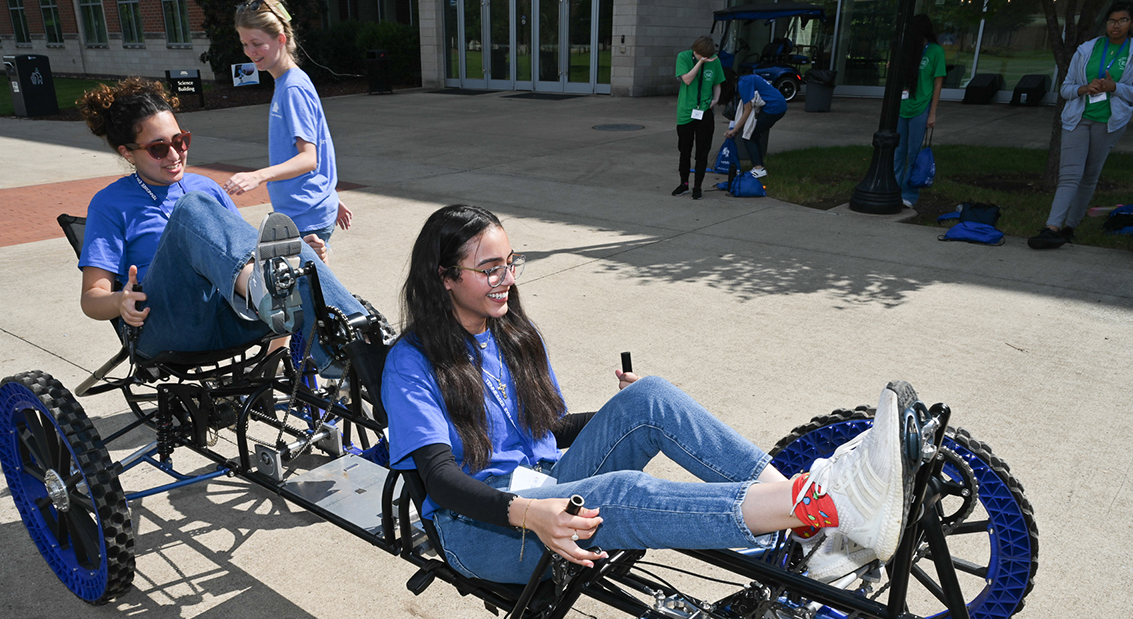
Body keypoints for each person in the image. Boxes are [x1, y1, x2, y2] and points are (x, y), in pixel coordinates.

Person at [382, 204, 916, 587]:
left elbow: (546, 425)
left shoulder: (511, 332)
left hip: (542, 486)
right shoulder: (412, 361)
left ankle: (806, 529)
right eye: (489, 269)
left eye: (510, 263)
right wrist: (530, 514)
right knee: (614, 493)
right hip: (484, 530)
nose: (506, 279)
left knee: (651, 397)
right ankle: (822, 502)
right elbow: (440, 481)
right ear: (445, 276)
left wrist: (621, 411)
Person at [76, 77, 366, 377]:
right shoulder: (110, 203)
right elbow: (91, 299)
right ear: (127, 152)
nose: (175, 155)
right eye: (158, 149)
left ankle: (366, 346)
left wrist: (307, 255)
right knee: (192, 207)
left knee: (297, 250)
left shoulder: (206, 186)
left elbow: (240, 253)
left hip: (233, 315)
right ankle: (265, 289)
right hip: (165, 326)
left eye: (180, 140)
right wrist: (120, 301)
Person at [225, 0, 351, 253]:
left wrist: (257, 176)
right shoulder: (288, 82)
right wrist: (329, 195)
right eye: (245, 44)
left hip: (305, 217)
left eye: (257, 43)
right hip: (307, 209)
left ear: (281, 39)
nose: (250, 51)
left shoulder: (293, 88)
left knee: (306, 291)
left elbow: (309, 158)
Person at [1030, 2, 1132, 249]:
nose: (1116, 25)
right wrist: (1083, 88)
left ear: (1131, 23)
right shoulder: (1087, 49)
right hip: (1078, 118)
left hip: (1108, 123)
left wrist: (1114, 87)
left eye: (1122, 20)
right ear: (1104, 23)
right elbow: (1065, 88)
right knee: (1069, 176)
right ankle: (1051, 227)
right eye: (1111, 21)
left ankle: (1069, 228)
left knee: (1089, 177)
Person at [895, 15, 945, 210]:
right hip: (903, 107)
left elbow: (937, 82)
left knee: (913, 152)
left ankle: (909, 194)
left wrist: (932, 113)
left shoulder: (935, 51)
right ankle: (894, 189)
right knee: (898, 152)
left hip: (921, 107)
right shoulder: (907, 50)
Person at [673, 36, 726, 200]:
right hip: (686, 112)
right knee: (685, 150)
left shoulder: (714, 60)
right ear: (695, 51)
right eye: (699, 55)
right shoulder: (683, 57)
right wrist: (700, 62)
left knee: (702, 152)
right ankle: (684, 184)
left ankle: (697, 186)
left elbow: (717, 82)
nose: (704, 58)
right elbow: (687, 80)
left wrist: (716, 99)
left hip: (705, 112)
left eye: (706, 56)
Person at [723, 73, 788, 181]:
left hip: (773, 108)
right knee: (755, 135)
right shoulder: (746, 78)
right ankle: (759, 166)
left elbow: (747, 109)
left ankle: (759, 168)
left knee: (749, 136)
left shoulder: (743, 84)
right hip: (778, 106)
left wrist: (735, 129)